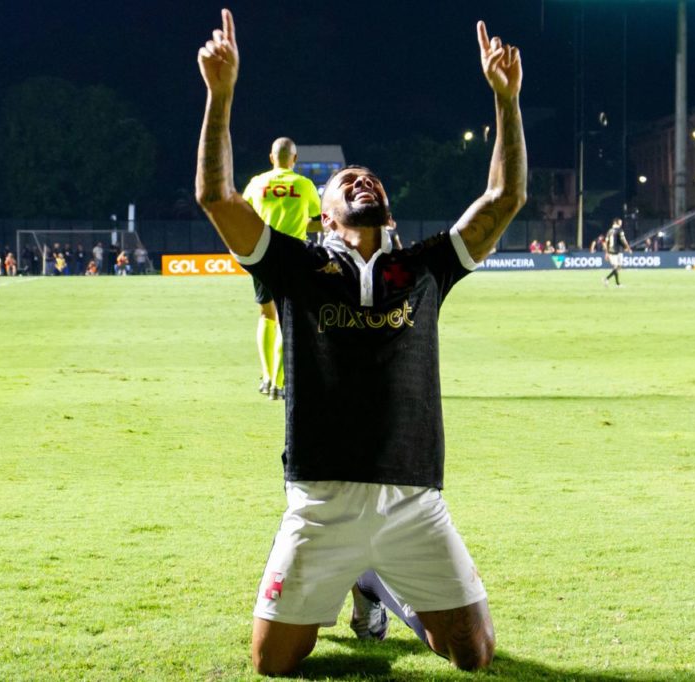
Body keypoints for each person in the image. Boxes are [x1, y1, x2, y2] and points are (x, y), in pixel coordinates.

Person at [195, 9, 525, 675]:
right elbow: (215, 195)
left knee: (473, 653)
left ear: (389, 211)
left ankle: (377, 582)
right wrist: (220, 96)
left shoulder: (425, 267)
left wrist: (506, 102)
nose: (363, 179)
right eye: (350, 181)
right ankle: (353, 575)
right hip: (319, 501)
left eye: (372, 180)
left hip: (413, 500)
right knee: (273, 662)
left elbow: (504, 197)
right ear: (325, 214)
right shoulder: (293, 265)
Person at [240, 137, 321, 400]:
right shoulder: (304, 184)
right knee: (290, 318)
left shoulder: (256, 183)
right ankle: (280, 382)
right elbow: (320, 222)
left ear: (271, 157)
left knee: (267, 315)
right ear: (295, 159)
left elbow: (243, 217)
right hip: (294, 256)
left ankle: (266, 377)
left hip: (263, 253)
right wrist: (299, 222)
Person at [602, 217, 632, 287]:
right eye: (620, 222)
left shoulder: (609, 231)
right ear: (616, 222)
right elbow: (623, 240)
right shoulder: (619, 230)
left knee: (616, 267)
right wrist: (628, 248)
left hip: (611, 251)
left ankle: (613, 282)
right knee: (618, 267)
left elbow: (606, 242)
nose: (621, 223)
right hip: (618, 251)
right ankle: (610, 280)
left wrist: (606, 252)